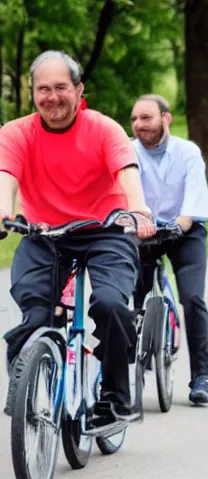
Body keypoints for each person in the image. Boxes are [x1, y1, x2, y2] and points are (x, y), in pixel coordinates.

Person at [0, 51, 155, 425]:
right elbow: (6, 174)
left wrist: (139, 211)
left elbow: (127, 170)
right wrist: (3, 212)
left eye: (60, 88)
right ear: (33, 92)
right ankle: (29, 380)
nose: (51, 97)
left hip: (105, 231)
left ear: (78, 89)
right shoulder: (16, 132)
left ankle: (116, 396)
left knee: (111, 305)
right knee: (35, 312)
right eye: (43, 89)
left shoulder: (103, 128)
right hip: (45, 234)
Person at [130, 94, 208, 405]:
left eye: (146, 118)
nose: (139, 125)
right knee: (131, 300)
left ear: (165, 119)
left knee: (192, 299)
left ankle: (201, 377)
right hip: (143, 231)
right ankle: (128, 373)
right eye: (135, 119)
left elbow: (193, 199)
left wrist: (180, 224)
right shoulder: (127, 152)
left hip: (185, 231)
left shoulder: (188, 152)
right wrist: (137, 222)